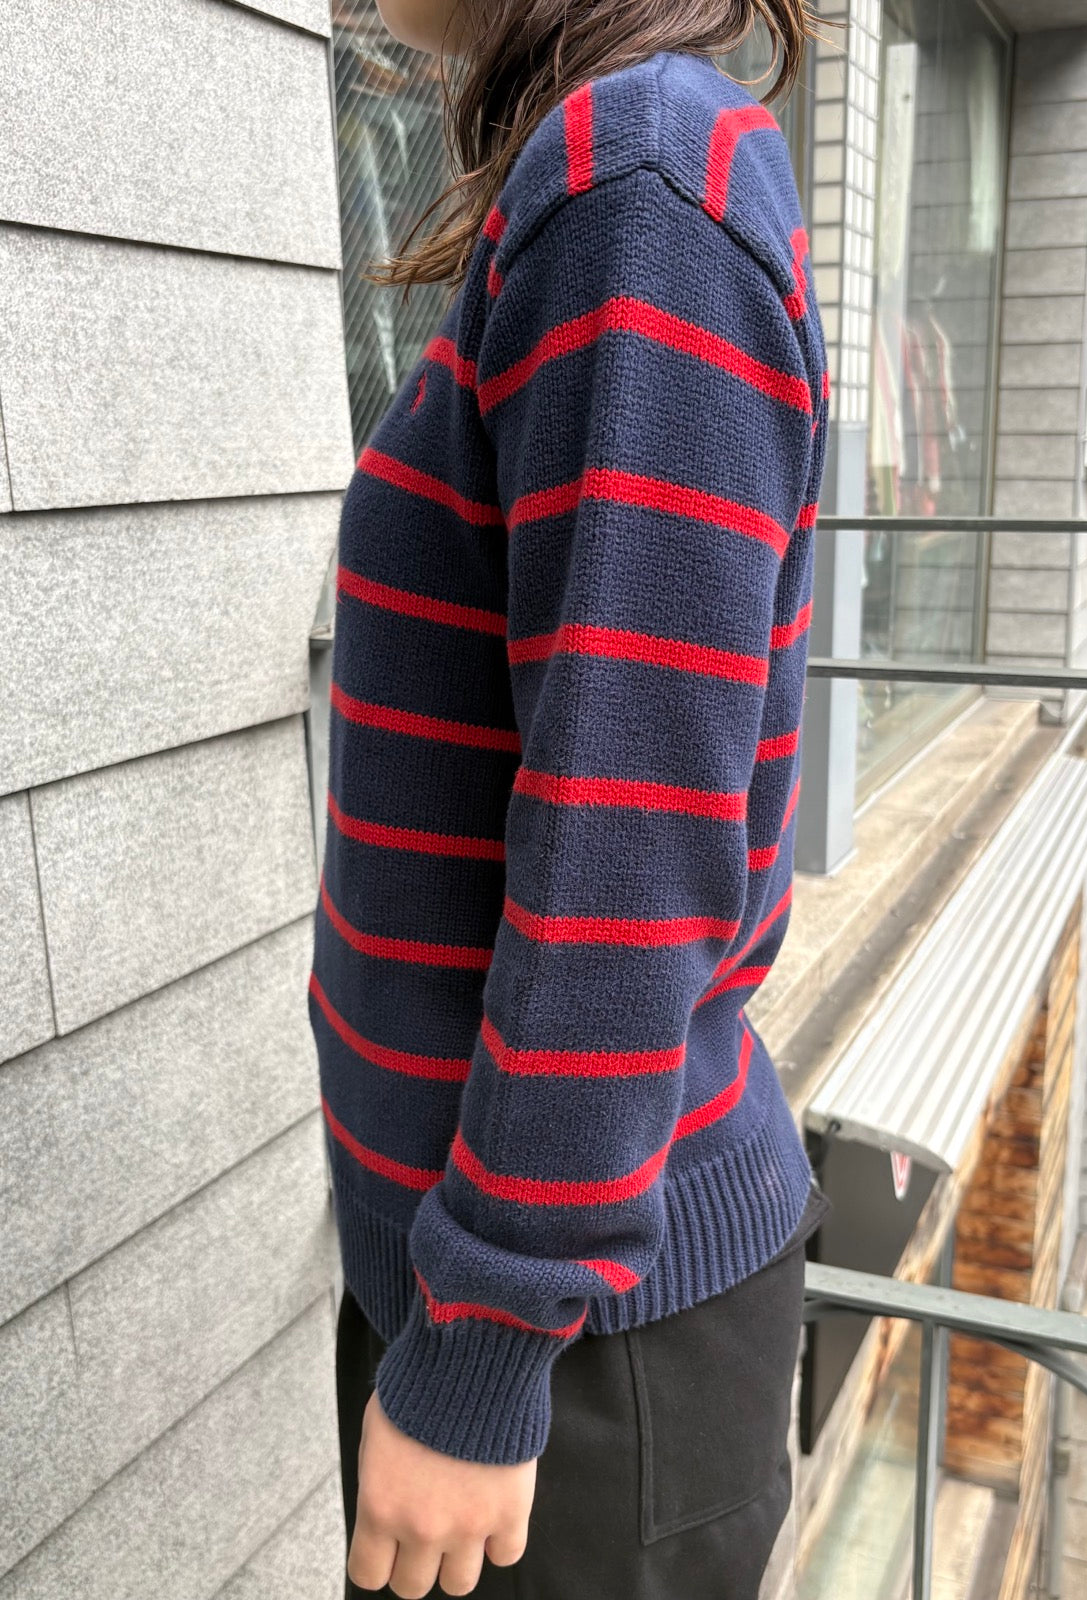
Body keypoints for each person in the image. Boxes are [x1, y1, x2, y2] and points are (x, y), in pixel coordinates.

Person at [307, 0, 832, 1594]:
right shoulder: (606, 174)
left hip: (574, 1359)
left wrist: (485, 1340)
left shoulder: (637, 185)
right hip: (529, 1320)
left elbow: (628, 847)